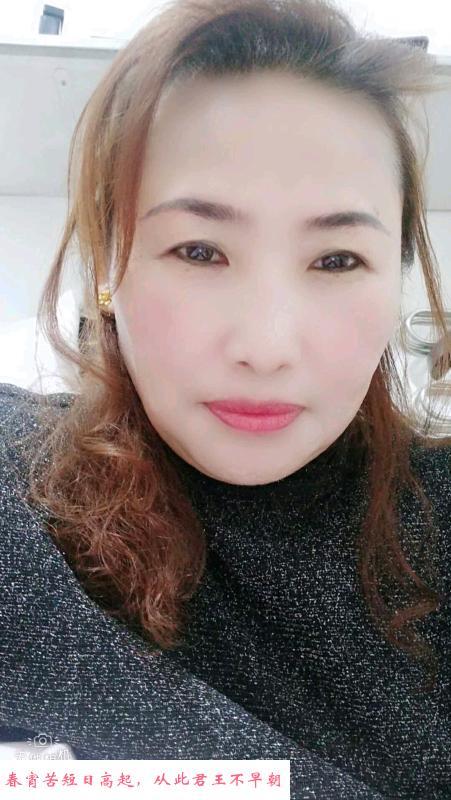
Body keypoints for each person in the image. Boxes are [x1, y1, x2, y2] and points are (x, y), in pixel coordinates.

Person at [0, 0, 450, 797]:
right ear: (108, 267)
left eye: (336, 259)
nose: (266, 348)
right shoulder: (20, 493)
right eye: (198, 250)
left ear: (397, 280)